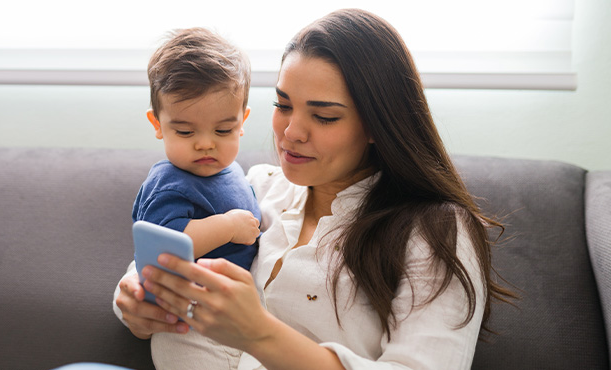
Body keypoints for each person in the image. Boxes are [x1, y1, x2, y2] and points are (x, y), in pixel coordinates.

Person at [114, 8, 515, 370]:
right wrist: (131, 301)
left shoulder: (436, 232)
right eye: (283, 105)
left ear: (377, 124)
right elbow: (162, 252)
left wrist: (260, 334)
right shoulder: (254, 189)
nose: (291, 133)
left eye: (323, 117)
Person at [127, 27, 262, 368]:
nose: (205, 143)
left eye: (223, 130)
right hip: (187, 326)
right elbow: (167, 248)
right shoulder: (170, 183)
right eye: (185, 131)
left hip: (233, 318)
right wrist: (227, 227)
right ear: (157, 124)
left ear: (242, 121)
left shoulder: (234, 172)